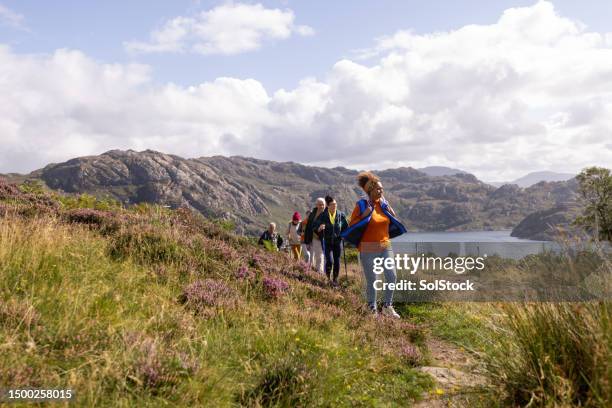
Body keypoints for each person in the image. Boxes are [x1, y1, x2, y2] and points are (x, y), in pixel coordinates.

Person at [341, 172, 407, 318]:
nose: (381, 191)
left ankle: (387, 306)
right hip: (368, 248)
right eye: (378, 189)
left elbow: (391, 221)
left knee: (392, 276)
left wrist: (392, 213)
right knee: (373, 280)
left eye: (382, 189)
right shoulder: (361, 205)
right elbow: (352, 225)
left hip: (385, 246)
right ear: (370, 190)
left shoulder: (383, 204)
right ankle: (372, 308)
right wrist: (364, 215)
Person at [313, 195, 348, 286]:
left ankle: (335, 279)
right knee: (329, 261)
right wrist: (319, 228)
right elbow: (315, 226)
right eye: (332, 204)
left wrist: (344, 235)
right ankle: (328, 278)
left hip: (337, 242)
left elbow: (346, 227)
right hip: (327, 241)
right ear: (328, 206)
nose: (335, 206)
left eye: (335, 204)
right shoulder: (323, 215)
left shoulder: (341, 215)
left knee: (337, 261)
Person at [303, 198, 326, 273]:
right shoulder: (313, 213)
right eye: (320, 205)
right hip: (311, 237)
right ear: (316, 205)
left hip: (320, 237)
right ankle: (312, 270)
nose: (321, 206)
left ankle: (320, 271)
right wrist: (306, 239)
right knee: (312, 255)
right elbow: (308, 226)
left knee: (319, 255)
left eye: (323, 204)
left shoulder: (326, 214)